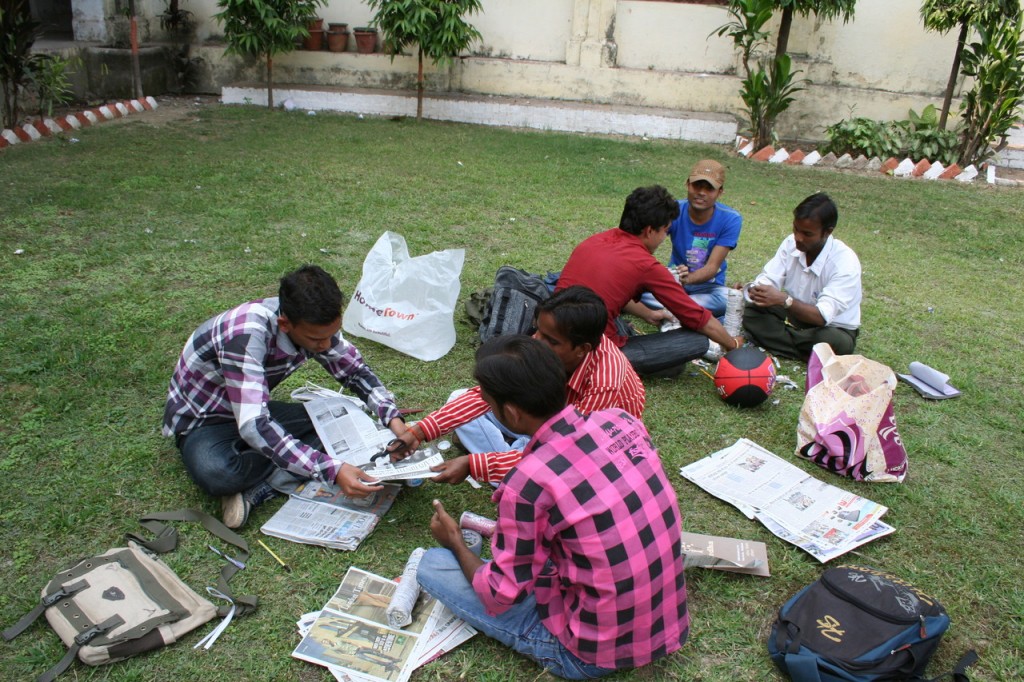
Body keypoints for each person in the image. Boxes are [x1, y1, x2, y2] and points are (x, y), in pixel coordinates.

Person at [417, 335, 689, 680]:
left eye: (487, 403)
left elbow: (500, 594)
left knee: (432, 565)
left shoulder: (526, 483)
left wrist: (455, 541)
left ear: (511, 413)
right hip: (666, 623)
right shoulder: (620, 421)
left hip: (589, 653)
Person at [162, 264, 411, 528]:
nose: (326, 345)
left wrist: (393, 419)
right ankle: (280, 473)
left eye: (331, 335)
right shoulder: (244, 335)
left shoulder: (313, 324)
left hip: (252, 408)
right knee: (219, 474)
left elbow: (354, 371)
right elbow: (254, 425)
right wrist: (332, 470)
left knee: (341, 417)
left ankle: (276, 469)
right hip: (205, 421)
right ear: (285, 324)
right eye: (317, 339)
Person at [393, 285, 645, 485]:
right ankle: (516, 456)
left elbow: (570, 451)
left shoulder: (603, 383)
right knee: (459, 397)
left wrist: (475, 465)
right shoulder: (550, 345)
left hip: (588, 447)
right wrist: (419, 432)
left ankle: (515, 463)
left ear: (582, 349)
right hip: (548, 422)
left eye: (550, 340)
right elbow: (487, 393)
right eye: (537, 331)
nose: (536, 341)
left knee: (551, 469)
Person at [556, 185, 743, 377]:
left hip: (554, 332)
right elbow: (697, 317)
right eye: (665, 231)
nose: (663, 238)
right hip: (589, 353)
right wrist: (733, 344)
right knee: (696, 342)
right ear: (649, 231)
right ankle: (612, 364)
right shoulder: (645, 264)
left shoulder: (595, 240)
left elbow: (609, 293)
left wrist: (648, 313)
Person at [742, 193, 861, 359]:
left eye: (807, 234)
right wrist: (754, 290)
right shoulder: (790, 243)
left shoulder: (844, 262)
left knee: (833, 342)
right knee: (752, 311)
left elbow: (822, 317)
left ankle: (777, 341)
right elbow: (769, 279)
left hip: (831, 327)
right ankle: (805, 350)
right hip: (795, 315)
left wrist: (785, 300)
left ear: (827, 232)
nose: (798, 237)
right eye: (796, 229)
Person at [638, 159, 743, 318]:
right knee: (634, 287)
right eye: (697, 185)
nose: (701, 192)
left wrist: (686, 279)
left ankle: (675, 308)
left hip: (708, 288)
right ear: (688, 184)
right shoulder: (674, 210)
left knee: (729, 299)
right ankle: (687, 309)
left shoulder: (731, 219)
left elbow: (712, 267)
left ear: (720, 192)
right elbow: (646, 246)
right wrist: (668, 277)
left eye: (709, 188)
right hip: (673, 283)